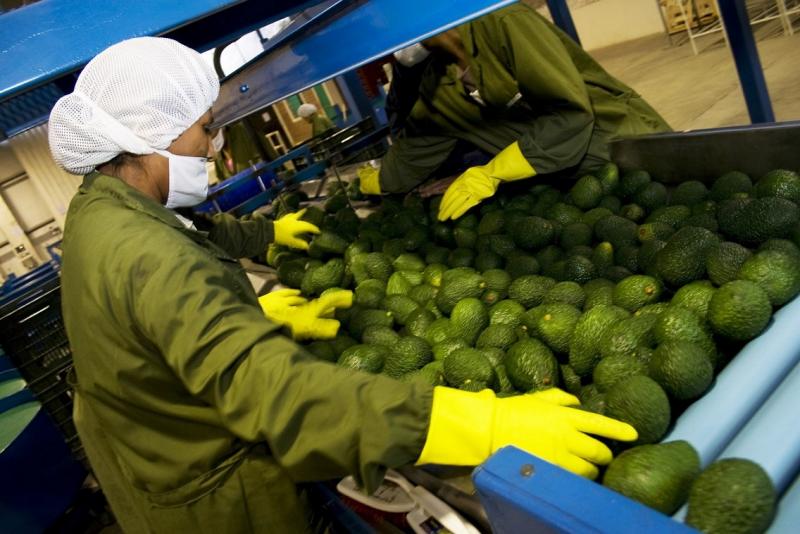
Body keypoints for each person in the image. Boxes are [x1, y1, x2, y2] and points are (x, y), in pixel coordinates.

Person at [48, 37, 637, 532]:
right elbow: (281, 396)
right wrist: (474, 425)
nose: (213, 145)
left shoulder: (104, 208)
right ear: (152, 134)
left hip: (155, 454)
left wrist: (263, 248)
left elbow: (186, 234)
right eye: (205, 129)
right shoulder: (149, 258)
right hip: (215, 501)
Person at [359, 3, 671, 220]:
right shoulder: (438, 87)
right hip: (577, 187)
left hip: (630, 152)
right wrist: (374, 181)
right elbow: (417, 146)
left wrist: (493, 172)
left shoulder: (503, 20)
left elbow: (570, 114)